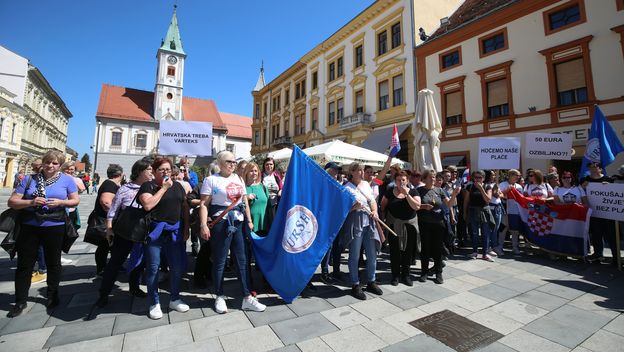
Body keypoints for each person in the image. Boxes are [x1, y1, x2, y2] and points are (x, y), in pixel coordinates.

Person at [7, 150, 80, 317]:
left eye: (54, 163)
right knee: (25, 264)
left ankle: (53, 295)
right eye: (48, 162)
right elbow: (12, 201)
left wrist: (61, 202)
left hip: (55, 224)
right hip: (29, 225)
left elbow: (75, 200)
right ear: (43, 162)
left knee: (53, 262)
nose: (50, 166)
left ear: (59, 165)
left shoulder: (67, 180)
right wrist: (31, 202)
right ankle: (20, 300)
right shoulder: (29, 179)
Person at [199, 151, 266, 314]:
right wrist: (203, 225)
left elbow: (244, 202)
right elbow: (203, 204)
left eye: (234, 162)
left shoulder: (239, 179)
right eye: (229, 161)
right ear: (220, 163)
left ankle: (247, 297)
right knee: (220, 261)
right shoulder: (211, 180)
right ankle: (219, 295)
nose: (233, 164)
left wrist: (249, 220)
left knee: (242, 261)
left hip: (239, 222)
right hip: (221, 223)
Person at [138, 157, 190, 319]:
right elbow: (148, 205)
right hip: (155, 232)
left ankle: (174, 298)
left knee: (176, 267)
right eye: (161, 170)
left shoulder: (178, 187)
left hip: (174, 231)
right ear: (154, 172)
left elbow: (184, 207)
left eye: (168, 169)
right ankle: (154, 302)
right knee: (153, 268)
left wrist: (186, 227)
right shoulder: (149, 186)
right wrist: (163, 189)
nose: (166, 172)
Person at [96, 160, 153, 307]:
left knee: (139, 262)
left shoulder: (153, 187)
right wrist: (109, 229)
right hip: (125, 231)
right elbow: (113, 210)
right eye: (149, 170)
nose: (151, 172)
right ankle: (104, 293)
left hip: (143, 231)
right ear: (139, 171)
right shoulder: (125, 189)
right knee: (115, 263)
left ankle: (134, 287)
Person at [340, 162, 383, 300]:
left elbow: (372, 201)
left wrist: (375, 211)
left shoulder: (365, 184)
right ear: (352, 172)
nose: (361, 172)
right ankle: (355, 284)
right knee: (354, 255)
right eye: (358, 170)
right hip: (355, 222)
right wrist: (354, 207)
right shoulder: (346, 188)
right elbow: (342, 210)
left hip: (369, 221)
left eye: (362, 170)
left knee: (372, 254)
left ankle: (371, 280)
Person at [380, 171, 420, 286]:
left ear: (407, 180)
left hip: (409, 226)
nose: (401, 182)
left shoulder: (413, 191)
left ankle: (406, 275)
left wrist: (406, 194)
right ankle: (395, 275)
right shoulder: (390, 192)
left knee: (408, 252)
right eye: (398, 180)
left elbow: (416, 206)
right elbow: (383, 206)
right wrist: (383, 221)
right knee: (395, 252)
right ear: (395, 181)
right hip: (394, 226)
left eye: (403, 180)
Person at [417, 169, 450, 284]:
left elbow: (449, 204)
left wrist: (455, 194)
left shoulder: (439, 190)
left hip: (438, 224)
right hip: (425, 223)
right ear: (424, 179)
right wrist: (423, 206)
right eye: (430, 177)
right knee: (425, 248)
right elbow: (415, 206)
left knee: (437, 249)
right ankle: (424, 272)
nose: (433, 179)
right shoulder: (419, 190)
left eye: (434, 177)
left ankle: (438, 273)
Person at [91, 164, 123, 276]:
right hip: (105, 220)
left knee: (108, 245)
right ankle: (102, 268)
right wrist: (117, 214)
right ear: (120, 174)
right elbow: (106, 202)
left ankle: (112, 266)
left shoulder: (110, 184)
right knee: (104, 245)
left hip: (106, 219)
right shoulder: (110, 184)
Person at [581, 162, 616, 264]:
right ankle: (598, 255)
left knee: (610, 236)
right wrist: (583, 187)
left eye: (595, 167)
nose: (592, 170)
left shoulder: (609, 180)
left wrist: (610, 186)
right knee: (596, 235)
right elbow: (580, 193)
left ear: (600, 169)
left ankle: (615, 257)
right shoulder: (585, 180)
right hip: (593, 213)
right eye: (590, 168)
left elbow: (616, 193)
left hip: (607, 214)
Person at [320, 162, 345, 283]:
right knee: (327, 247)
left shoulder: (339, 186)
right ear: (327, 171)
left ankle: (336, 270)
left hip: (337, 220)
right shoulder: (322, 185)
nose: (336, 173)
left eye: (337, 171)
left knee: (337, 246)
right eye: (334, 171)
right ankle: (324, 272)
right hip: (325, 221)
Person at [463, 170, 494, 261]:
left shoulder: (487, 186)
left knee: (485, 233)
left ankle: (485, 253)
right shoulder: (470, 186)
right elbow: (466, 201)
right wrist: (465, 213)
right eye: (475, 177)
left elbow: (488, 200)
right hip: (473, 211)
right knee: (474, 233)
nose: (477, 179)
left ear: (483, 178)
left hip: (484, 211)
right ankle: (475, 251)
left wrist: (481, 189)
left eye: (479, 177)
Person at [498, 169, 523, 255]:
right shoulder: (502, 185)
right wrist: (507, 191)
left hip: (515, 212)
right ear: (511, 175)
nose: (518, 177)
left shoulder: (519, 187)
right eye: (516, 175)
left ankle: (515, 247)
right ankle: (499, 247)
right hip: (505, 211)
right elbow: (498, 196)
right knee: (503, 230)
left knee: (515, 231)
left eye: (519, 176)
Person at [485, 170, 502, 259]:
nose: (494, 176)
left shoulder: (495, 185)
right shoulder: (488, 185)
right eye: (492, 175)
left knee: (497, 228)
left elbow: (501, 195)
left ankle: (494, 245)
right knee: (492, 228)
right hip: (492, 208)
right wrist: (496, 192)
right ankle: (490, 246)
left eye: (495, 175)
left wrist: (498, 192)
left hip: (498, 207)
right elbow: (494, 195)